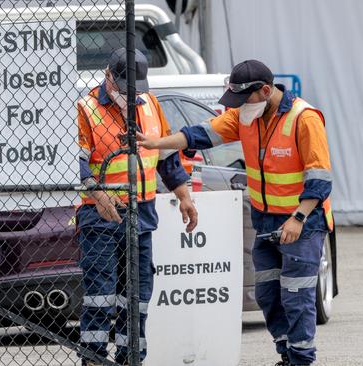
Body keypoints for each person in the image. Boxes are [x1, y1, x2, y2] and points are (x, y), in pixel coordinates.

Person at [137, 60, 333, 366]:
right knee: (268, 296)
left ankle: (302, 360)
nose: (239, 107)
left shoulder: (304, 119)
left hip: (302, 223)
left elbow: (320, 177)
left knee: (297, 298)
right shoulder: (245, 116)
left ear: (266, 91)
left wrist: (298, 217)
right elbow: (198, 134)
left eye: (244, 100)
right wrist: (156, 143)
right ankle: (287, 355)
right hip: (266, 221)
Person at [77, 48, 198, 366]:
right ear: (108, 77)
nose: (130, 97)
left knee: (139, 293)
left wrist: (183, 194)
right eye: (123, 90)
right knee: (100, 294)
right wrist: (99, 195)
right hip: (100, 214)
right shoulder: (86, 108)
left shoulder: (151, 104)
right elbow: (75, 164)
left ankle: (131, 357)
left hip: (142, 213)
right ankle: (94, 358)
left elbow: (167, 156)